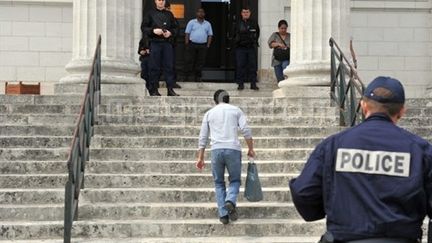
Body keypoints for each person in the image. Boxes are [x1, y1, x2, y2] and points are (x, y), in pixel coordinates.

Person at [289, 76, 432, 242]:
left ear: (363, 106)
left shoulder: (333, 145)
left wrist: (333, 207)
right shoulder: (420, 150)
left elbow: (303, 192)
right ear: (401, 111)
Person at [196, 89, 256, 225]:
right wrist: (251, 148)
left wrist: (200, 157)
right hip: (233, 149)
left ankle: (223, 214)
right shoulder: (236, 111)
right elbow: (246, 130)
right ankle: (230, 200)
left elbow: (203, 137)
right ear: (228, 99)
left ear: (215, 100)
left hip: (216, 150)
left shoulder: (209, 113)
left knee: (218, 183)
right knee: (235, 180)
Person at [141, 0, 179, 96]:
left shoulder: (169, 14)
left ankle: (170, 90)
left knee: (169, 67)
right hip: (154, 43)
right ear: (155, 1)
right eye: (159, 0)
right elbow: (143, 28)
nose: (161, 2)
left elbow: (175, 28)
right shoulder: (150, 13)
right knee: (154, 67)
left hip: (167, 44)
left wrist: (170, 33)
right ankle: (153, 90)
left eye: (162, 0)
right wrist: (153, 30)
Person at [182, 8, 213, 82]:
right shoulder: (191, 22)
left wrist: (208, 45)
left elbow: (210, 35)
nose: (201, 13)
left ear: (204, 14)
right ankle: (186, 77)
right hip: (192, 44)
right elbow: (187, 33)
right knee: (189, 60)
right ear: (196, 13)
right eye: (199, 12)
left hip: (203, 45)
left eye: (202, 12)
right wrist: (187, 44)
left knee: (200, 62)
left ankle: (198, 77)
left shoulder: (208, 24)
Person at [232, 7, 260, 91]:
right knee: (240, 66)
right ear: (241, 13)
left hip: (251, 47)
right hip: (240, 48)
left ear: (250, 13)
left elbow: (257, 33)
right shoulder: (237, 23)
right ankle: (240, 84)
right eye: (244, 12)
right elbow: (233, 34)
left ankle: (253, 84)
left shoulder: (254, 23)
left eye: (247, 12)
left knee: (253, 66)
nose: (245, 14)